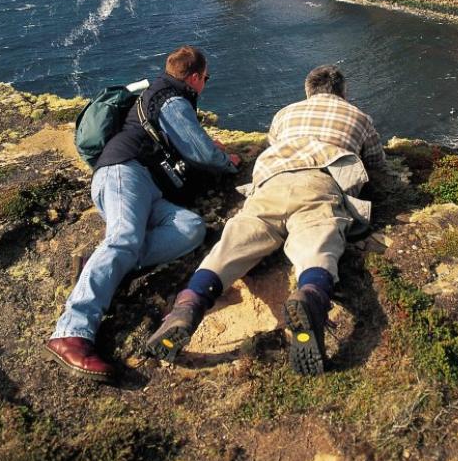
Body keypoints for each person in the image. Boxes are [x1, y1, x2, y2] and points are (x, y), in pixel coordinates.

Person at [147, 64, 385, 375]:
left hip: (271, 183)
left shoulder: (285, 114)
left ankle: (188, 305)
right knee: (318, 244)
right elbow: (376, 163)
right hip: (319, 182)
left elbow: (275, 143)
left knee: (233, 244)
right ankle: (310, 296)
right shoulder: (359, 117)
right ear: (343, 93)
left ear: (308, 91)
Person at [44, 45, 240, 382]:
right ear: (194, 77)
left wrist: (211, 146)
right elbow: (199, 150)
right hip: (124, 171)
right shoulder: (171, 98)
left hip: (147, 185)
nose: (206, 83)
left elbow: (185, 143)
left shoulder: (161, 95)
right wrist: (228, 162)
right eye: (206, 77)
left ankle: (105, 265)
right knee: (124, 239)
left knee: (190, 227)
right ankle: (71, 332)